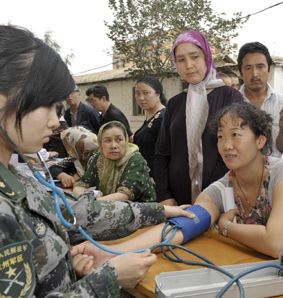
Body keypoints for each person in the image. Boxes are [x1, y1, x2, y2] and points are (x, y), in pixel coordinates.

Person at [0, 25, 194, 297]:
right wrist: (108, 279)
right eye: (46, 105)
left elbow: (79, 213)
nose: (56, 121)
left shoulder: (14, 179)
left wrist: (160, 212)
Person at [71, 102, 283, 274]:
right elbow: (181, 226)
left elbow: (275, 243)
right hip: (248, 272)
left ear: (260, 140)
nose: (226, 145)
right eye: (220, 137)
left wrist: (226, 227)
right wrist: (112, 252)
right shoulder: (222, 187)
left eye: (236, 135)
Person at [154, 30, 243, 206]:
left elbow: (239, 148)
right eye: (181, 60)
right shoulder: (175, 104)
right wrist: (164, 195)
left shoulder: (230, 97)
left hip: (221, 198)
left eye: (194, 57)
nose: (188, 65)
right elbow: (162, 153)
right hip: (179, 201)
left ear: (207, 58)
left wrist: (220, 195)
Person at [73, 121, 156, 202]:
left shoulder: (135, 160)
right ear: (101, 143)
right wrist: (83, 196)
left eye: (119, 140)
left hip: (140, 210)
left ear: (126, 141)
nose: (113, 146)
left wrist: (93, 202)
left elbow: (125, 194)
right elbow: (81, 184)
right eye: (108, 140)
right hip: (106, 206)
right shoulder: (99, 158)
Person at [237, 42, 283, 158]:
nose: (255, 74)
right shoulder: (232, 102)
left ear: (269, 69)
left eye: (260, 67)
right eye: (248, 68)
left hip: (277, 173)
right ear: (240, 72)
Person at [133, 76, 167, 178]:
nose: (141, 97)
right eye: (137, 93)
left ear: (157, 94)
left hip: (158, 178)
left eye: (146, 93)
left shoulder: (162, 117)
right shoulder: (150, 117)